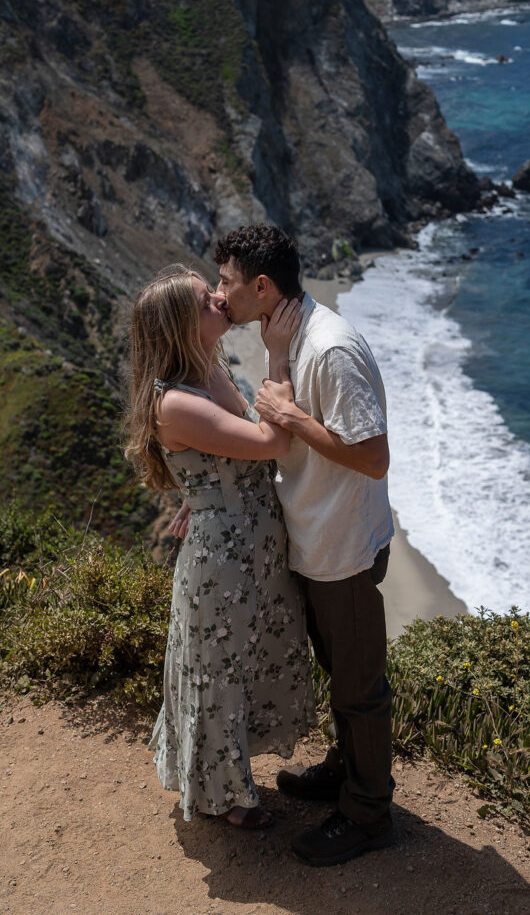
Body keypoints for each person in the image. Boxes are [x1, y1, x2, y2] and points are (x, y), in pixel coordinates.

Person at [214, 224, 395, 866]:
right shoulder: (291, 337)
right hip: (318, 540)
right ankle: (347, 773)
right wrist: (277, 363)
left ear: (261, 287)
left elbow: (374, 458)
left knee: (358, 687)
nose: (219, 295)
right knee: (340, 674)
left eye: (227, 283)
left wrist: (292, 419)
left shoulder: (331, 349)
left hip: (342, 545)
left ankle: (369, 814)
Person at [124, 265, 315, 829]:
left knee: (247, 659)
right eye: (204, 298)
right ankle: (225, 799)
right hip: (224, 559)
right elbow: (271, 438)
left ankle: (232, 779)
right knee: (219, 672)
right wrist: (277, 354)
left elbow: (223, 449)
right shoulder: (175, 402)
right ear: (182, 324)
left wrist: (198, 489)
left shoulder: (210, 365)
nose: (217, 297)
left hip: (252, 543)